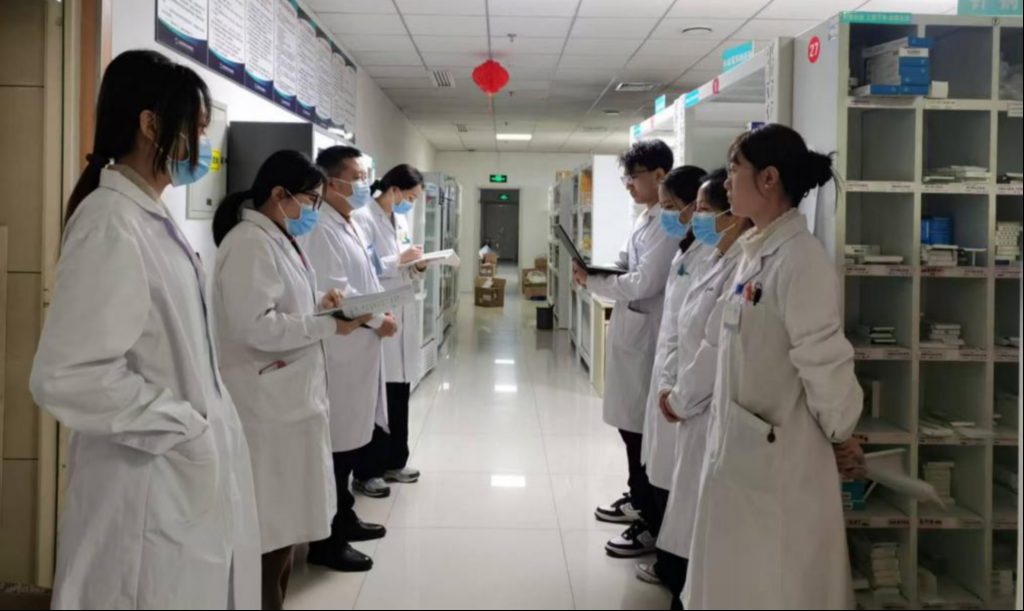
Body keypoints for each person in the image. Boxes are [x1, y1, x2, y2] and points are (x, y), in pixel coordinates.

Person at [29, 49, 261, 609]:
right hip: (145, 488)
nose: (202, 144)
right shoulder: (110, 223)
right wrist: (181, 423)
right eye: (195, 128)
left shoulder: (147, 216)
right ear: (151, 125)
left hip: (175, 479)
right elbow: (66, 375)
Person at [683, 124, 865, 609]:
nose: (725, 182)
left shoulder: (801, 261)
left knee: (774, 584)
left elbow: (824, 362)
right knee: (739, 579)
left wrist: (842, 431)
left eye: (734, 169)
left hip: (778, 462)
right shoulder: (756, 252)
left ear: (769, 178)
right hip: (743, 452)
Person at [211, 150, 370, 610]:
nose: (313, 211)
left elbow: (283, 302)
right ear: (279, 195)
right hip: (265, 408)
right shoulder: (249, 242)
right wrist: (326, 325)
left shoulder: (277, 237)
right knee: (269, 528)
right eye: (310, 200)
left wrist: (321, 301)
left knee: (282, 527)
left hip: (287, 404)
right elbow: (255, 326)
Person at [650, 169, 752, 609]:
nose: (697, 219)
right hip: (685, 397)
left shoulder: (741, 267)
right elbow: (683, 328)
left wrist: (678, 396)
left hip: (704, 407)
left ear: (734, 216)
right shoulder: (712, 258)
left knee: (698, 527)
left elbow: (713, 346)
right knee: (685, 515)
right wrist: (671, 386)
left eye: (706, 210)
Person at [573, 140, 679, 558]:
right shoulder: (646, 218)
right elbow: (627, 264)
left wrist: (595, 282)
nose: (628, 186)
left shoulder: (668, 225)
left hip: (649, 341)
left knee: (639, 431)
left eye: (633, 177)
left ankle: (649, 519)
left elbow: (645, 282)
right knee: (629, 428)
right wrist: (600, 270)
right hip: (632, 334)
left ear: (659, 175)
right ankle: (639, 499)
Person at [302, 145, 397, 572]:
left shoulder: (348, 222)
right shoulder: (321, 228)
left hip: (360, 351)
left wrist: (382, 314)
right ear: (330, 181)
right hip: (340, 352)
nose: (364, 184)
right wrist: (378, 319)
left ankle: (345, 516)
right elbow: (337, 296)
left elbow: (365, 281)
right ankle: (327, 539)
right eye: (356, 177)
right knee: (337, 448)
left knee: (351, 443)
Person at [630, 164, 711, 585]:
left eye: (669, 206)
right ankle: (668, 562)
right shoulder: (687, 251)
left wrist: (676, 392)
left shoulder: (709, 258)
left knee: (677, 487)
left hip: (686, 394)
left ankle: (673, 570)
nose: (664, 215)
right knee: (662, 476)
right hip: (670, 382)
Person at [352, 163, 427, 497]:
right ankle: (368, 471)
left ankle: (396, 460)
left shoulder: (400, 220)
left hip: (401, 311)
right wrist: (399, 260)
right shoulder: (363, 219)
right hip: (378, 315)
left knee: (399, 394)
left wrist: (417, 265)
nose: (411, 204)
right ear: (395, 190)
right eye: (410, 197)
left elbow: (403, 263)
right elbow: (364, 266)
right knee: (377, 399)